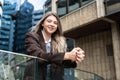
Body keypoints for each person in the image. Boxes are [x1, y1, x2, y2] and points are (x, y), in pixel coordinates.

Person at [24, 12, 85, 80]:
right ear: (42, 23)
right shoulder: (32, 37)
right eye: (49, 21)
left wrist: (74, 57)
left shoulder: (59, 42)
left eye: (55, 23)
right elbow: (39, 56)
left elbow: (61, 61)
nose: (52, 24)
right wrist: (67, 55)